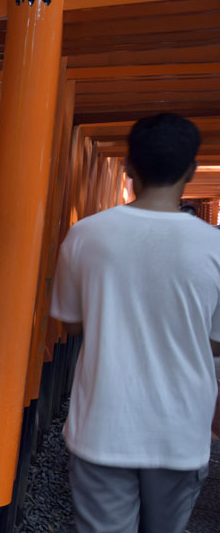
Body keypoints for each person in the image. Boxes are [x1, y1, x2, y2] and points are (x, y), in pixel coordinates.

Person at [50, 113, 220, 533]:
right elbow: (215, 342)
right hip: (182, 430)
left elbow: (71, 324)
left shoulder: (86, 235)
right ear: (191, 170)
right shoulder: (215, 247)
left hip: (103, 426)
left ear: (128, 170)